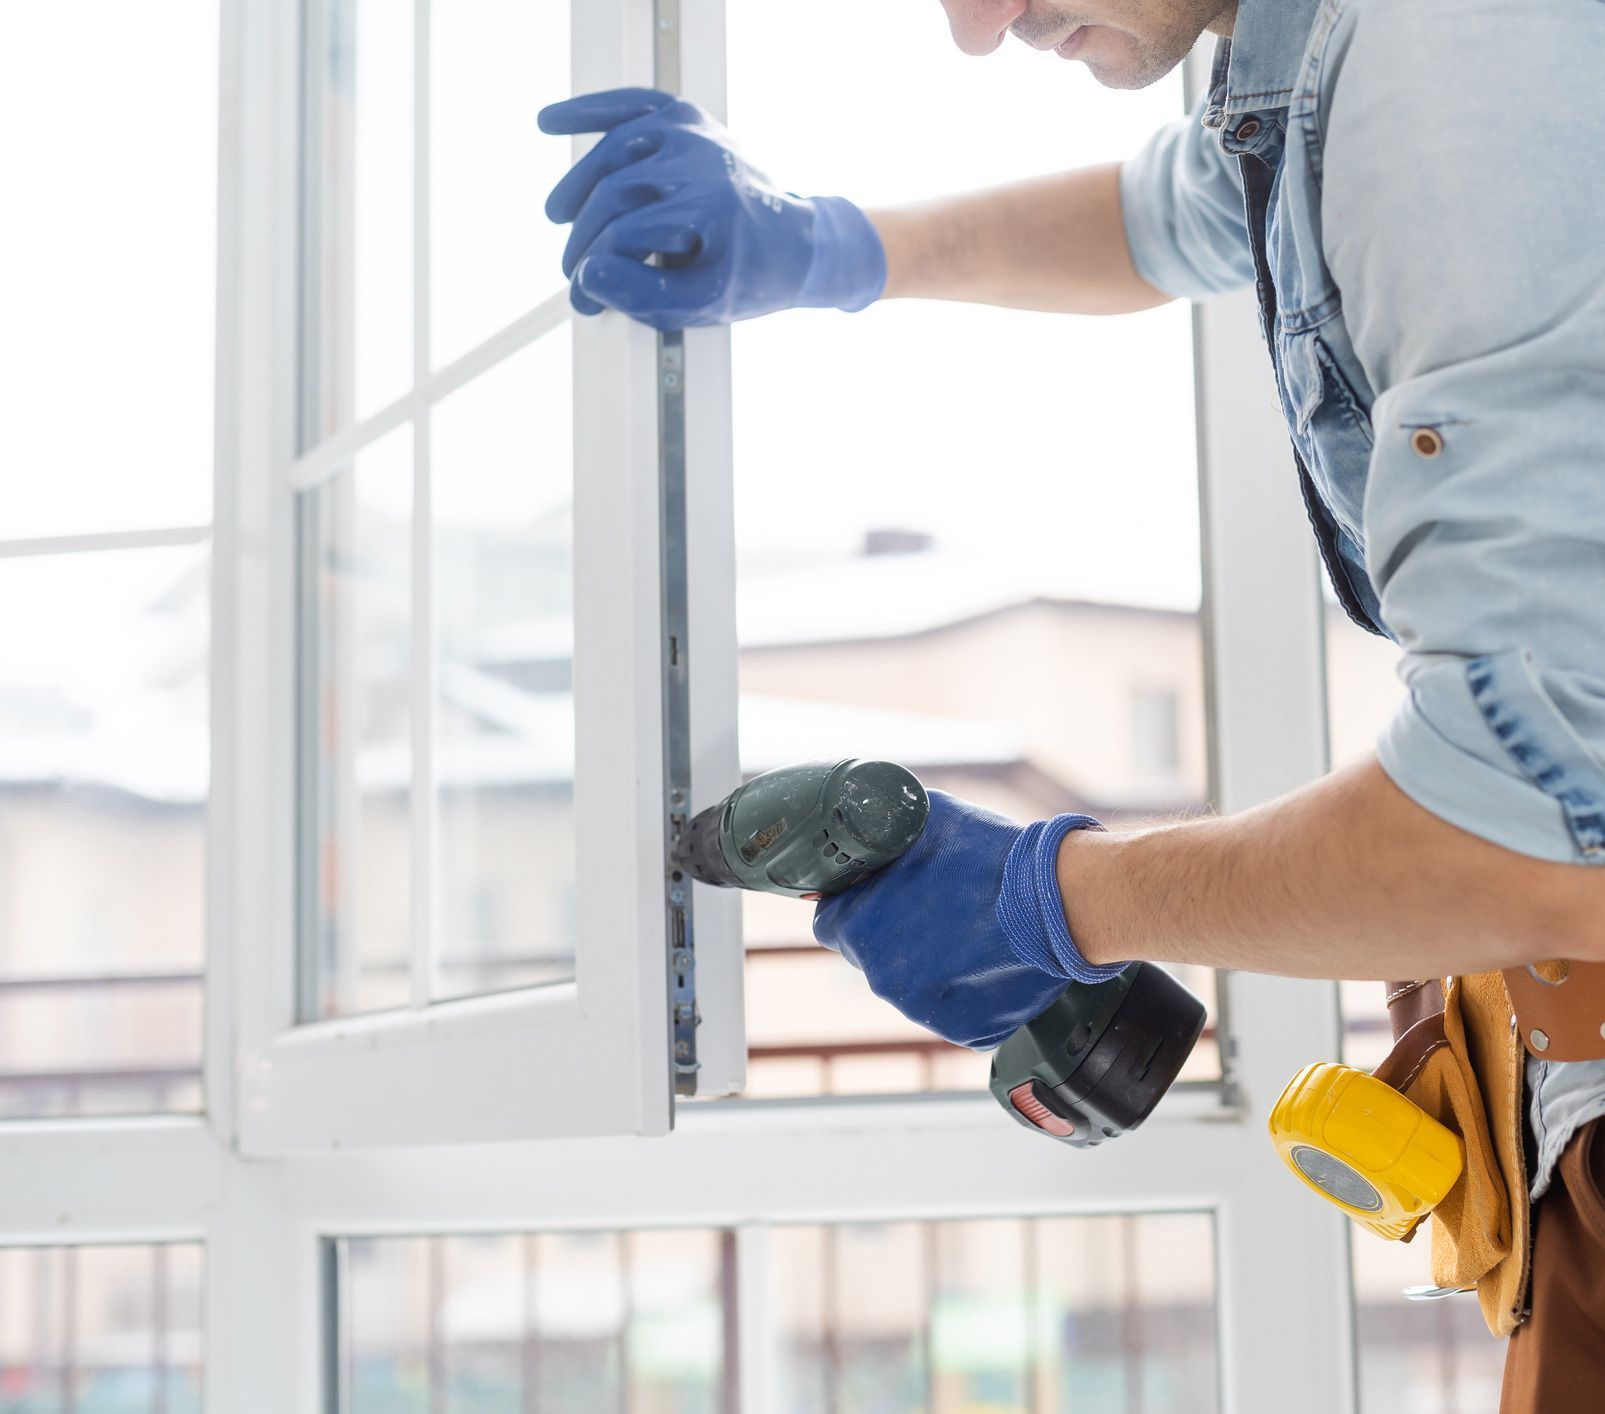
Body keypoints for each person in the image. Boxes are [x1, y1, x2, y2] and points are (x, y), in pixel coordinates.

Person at [539, 2, 1605, 1404]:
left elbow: (1540, 841)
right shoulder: (1314, 56)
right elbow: (1170, 211)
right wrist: (824, 245)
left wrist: (1057, 896)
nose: (979, 29)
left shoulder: (1456, 65)